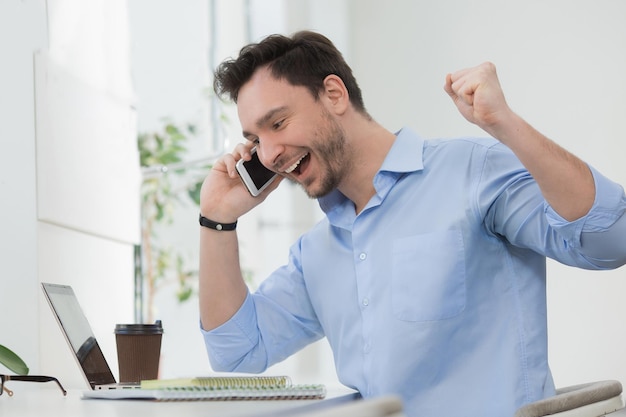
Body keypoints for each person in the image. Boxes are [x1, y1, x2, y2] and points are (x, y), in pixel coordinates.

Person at [197, 31, 626, 416]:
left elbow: (612, 239)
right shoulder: (317, 253)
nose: (269, 154)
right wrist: (217, 219)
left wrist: (505, 124)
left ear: (333, 94)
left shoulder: (472, 173)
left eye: (278, 123)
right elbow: (238, 354)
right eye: (255, 140)